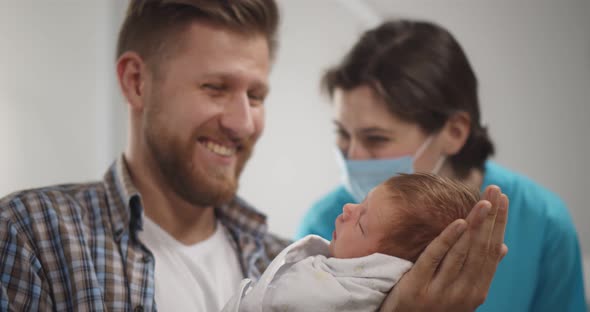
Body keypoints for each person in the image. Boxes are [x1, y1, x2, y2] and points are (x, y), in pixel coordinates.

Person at [0, 2, 508, 311]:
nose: (243, 123)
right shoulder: (33, 237)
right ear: (137, 82)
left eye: (257, 96)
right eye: (216, 87)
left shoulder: (299, 264)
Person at [297, 19, 587, 311]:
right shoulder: (326, 226)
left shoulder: (543, 224)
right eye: (343, 134)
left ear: (454, 132)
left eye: (376, 139)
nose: (353, 156)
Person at [223, 173, 487, 312]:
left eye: (361, 224)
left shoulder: (336, 297)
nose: (348, 208)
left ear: (378, 265)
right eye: (362, 202)